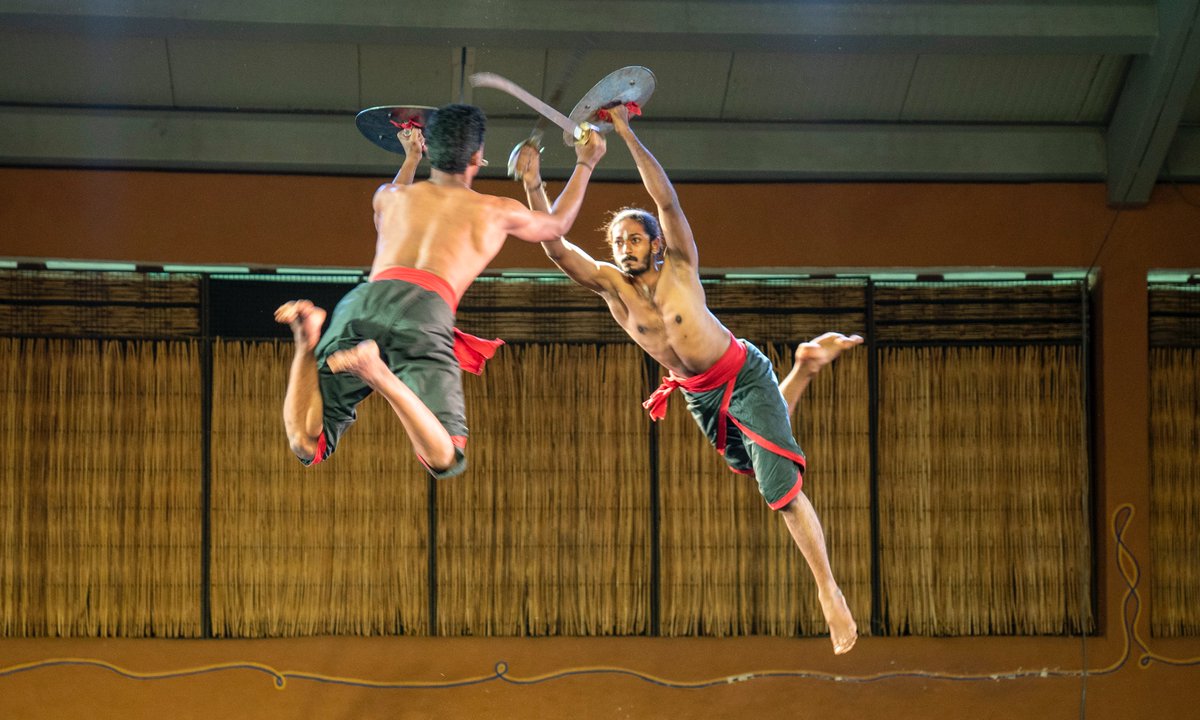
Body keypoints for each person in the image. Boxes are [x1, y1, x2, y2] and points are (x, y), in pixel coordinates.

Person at [516, 105, 860, 654]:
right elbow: (556, 245)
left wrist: (625, 131)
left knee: (781, 488)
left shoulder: (680, 264)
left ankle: (829, 591)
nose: (623, 248)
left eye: (633, 239)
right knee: (755, 461)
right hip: (699, 396)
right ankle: (805, 366)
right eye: (617, 242)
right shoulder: (612, 289)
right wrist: (536, 185)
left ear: (654, 243)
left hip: (741, 373)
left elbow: (666, 200)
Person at [275, 104, 606, 478]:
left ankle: (305, 342)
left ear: (430, 148)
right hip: (425, 309)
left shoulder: (388, 196)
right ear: (478, 157)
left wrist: (411, 157)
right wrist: (585, 162)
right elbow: (557, 225)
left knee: (306, 441)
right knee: (446, 457)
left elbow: (399, 190)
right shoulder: (494, 210)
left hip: (363, 302)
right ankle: (380, 375)